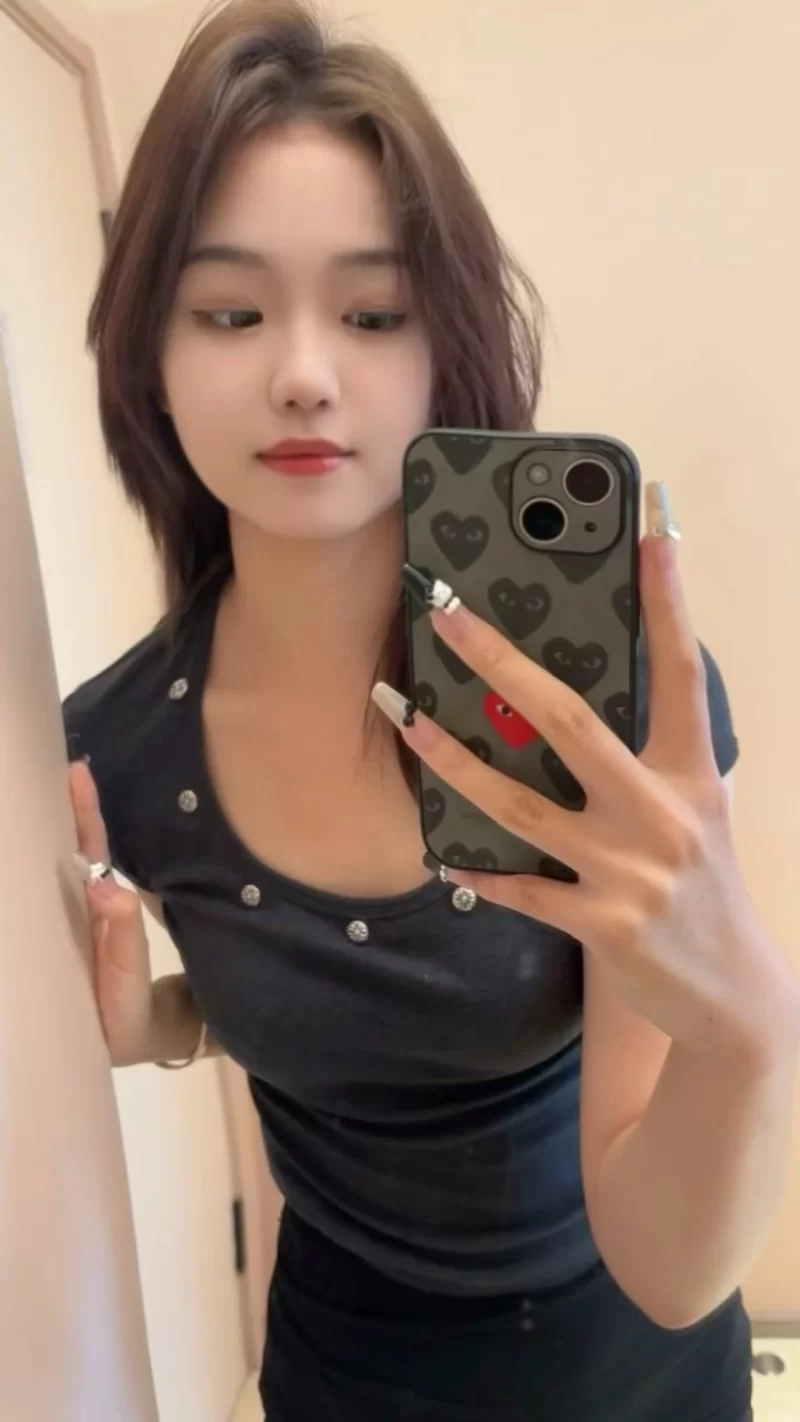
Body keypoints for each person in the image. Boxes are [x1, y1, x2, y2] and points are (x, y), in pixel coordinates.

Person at [63, 2, 799, 1418]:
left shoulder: (609, 703)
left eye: (372, 313)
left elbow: (667, 1264)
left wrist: (752, 1022)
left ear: (444, 342)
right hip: (344, 1375)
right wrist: (159, 1020)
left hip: (634, 1371)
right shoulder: (121, 754)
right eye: (230, 312)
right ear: (148, 355)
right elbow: (329, 1005)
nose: (302, 373)